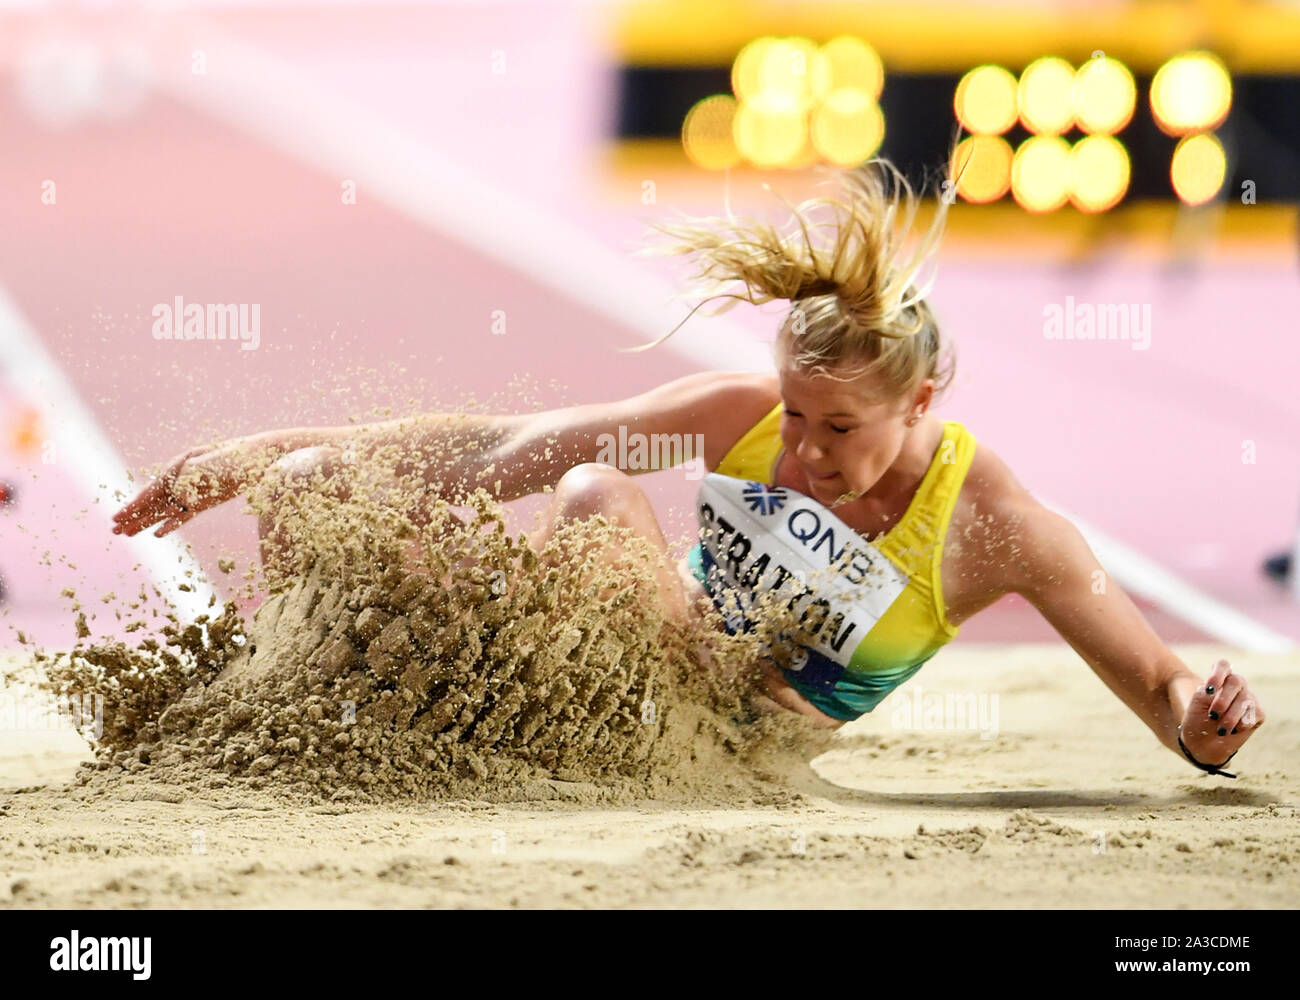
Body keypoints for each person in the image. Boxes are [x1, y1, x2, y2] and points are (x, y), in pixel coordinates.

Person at [111, 161, 1264, 778]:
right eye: (795, 413)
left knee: (596, 499)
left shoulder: (996, 529)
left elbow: (1164, 687)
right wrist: (259, 452)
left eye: (839, 428)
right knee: (324, 481)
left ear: (920, 402)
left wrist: (1202, 730)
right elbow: (499, 449)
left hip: (727, 748)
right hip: (605, 692)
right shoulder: (736, 418)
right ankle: (289, 717)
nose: (804, 450)